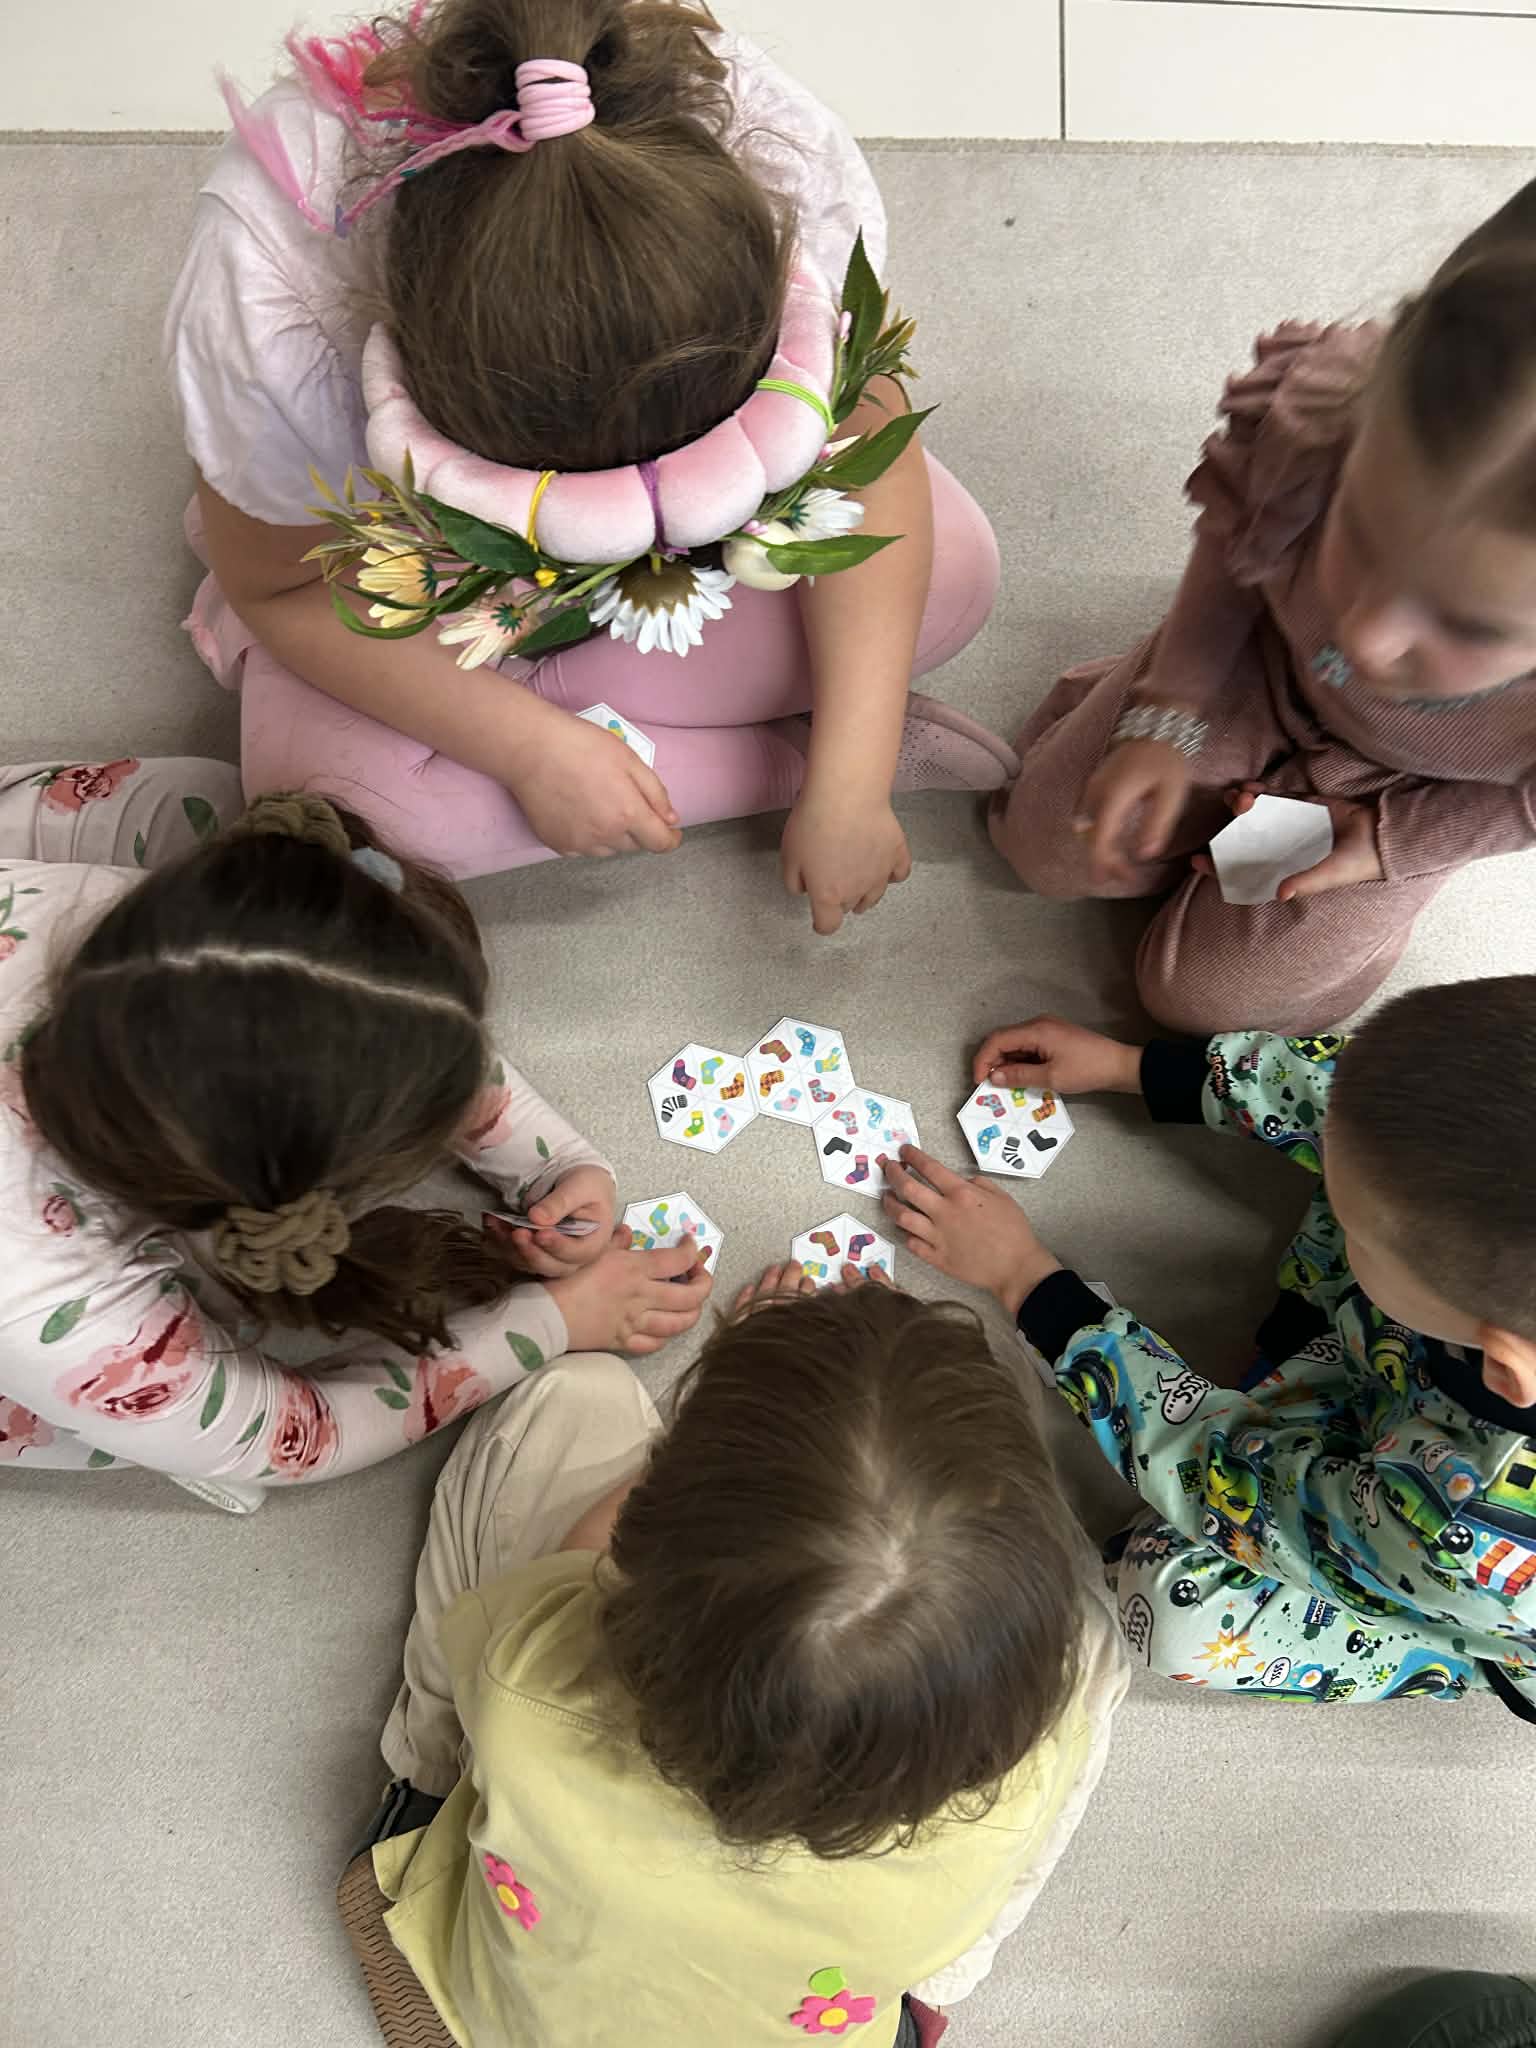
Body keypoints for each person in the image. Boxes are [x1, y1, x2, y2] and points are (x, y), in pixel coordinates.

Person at [165, 0, 1010, 935]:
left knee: (953, 574)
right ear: (405, 384)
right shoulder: (273, 313)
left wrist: (854, 777)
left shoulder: (783, 164)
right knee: (351, 827)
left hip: (514, 617)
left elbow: (869, 445)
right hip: (393, 573)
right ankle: (752, 750)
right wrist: (530, 748)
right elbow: (277, 584)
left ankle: (641, 717)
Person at [337, 1261, 1129, 2048]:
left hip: (511, 2004)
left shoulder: (532, 1687)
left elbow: (582, 1563)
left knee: (572, 1398)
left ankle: (428, 1779)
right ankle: (936, 1991)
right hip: (819, 2002)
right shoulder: (1011, 1799)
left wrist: (702, 1436)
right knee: (1094, 1649)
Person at [0, 757, 711, 1508]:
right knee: (159, 1422)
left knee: (208, 799)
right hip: (33, 1321)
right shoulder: (57, 1317)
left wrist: (556, 1161)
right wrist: (554, 1319)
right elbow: (308, 1435)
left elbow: (331, 1000)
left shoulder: (116, 904)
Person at [879, 985, 1536, 1713]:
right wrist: (1134, 1067)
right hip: (1416, 1389)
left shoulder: (1458, 1534)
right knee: (1386, 1144)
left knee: (1171, 1601)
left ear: (1504, 1365)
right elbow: (1353, 1089)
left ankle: (1454, 1653)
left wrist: (1028, 1284)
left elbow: (1228, 1484)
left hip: (1437, 1567)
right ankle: (1347, 1317)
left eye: (1359, 1238)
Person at [990, 178, 1536, 1033]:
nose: (1367, 634)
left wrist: (1389, 840)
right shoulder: (1324, 421)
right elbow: (1235, 541)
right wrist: (1169, 709)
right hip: (1260, 665)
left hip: (1415, 791)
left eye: (1469, 624)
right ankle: (1128, 697)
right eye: (1360, 532)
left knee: (1200, 1002)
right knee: (1046, 849)